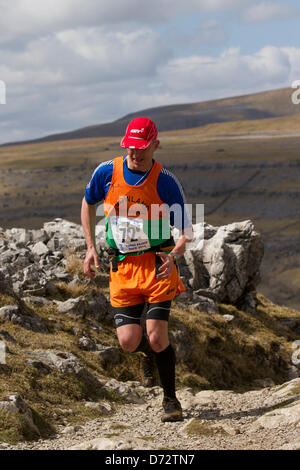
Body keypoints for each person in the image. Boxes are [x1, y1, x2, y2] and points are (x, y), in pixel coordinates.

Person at [81, 117, 192, 422]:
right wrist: (91, 247)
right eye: (130, 147)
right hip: (123, 268)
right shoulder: (107, 172)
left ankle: (170, 400)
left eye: (142, 148)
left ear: (155, 145)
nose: (135, 153)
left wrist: (176, 255)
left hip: (157, 265)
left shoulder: (165, 181)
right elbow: (87, 201)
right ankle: (148, 355)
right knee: (129, 342)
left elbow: (186, 229)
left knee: (158, 337)